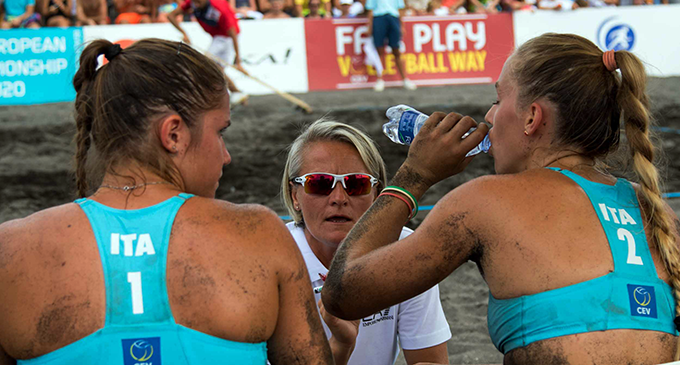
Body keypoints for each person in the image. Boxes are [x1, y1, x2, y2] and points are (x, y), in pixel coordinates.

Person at [322, 32, 680, 364]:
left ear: (531, 118)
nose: (489, 116)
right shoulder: (656, 210)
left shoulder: (486, 200)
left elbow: (343, 293)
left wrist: (416, 175)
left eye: (497, 100)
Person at [0, 38, 344, 364]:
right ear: (174, 134)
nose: (226, 156)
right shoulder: (258, 234)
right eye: (220, 132)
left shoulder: (12, 250)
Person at [281, 119, 452, 365]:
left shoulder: (407, 251)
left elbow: (430, 360)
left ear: (377, 195)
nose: (338, 198)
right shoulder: (269, 259)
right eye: (318, 182)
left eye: (356, 184)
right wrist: (340, 347)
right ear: (294, 195)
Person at [168, 0, 249, 105]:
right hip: (217, 37)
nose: (196, 4)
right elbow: (171, 16)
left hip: (226, 37)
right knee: (215, 69)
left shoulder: (219, 8)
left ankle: (231, 94)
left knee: (207, 65)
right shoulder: (192, 2)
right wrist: (184, 33)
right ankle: (236, 94)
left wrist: (238, 61)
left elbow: (232, 33)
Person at [366, 0, 416, 92]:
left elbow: (400, 9)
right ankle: (380, 79)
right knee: (379, 51)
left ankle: (405, 79)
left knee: (396, 50)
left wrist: (401, 25)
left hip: (393, 18)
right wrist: (369, 26)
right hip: (378, 18)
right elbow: (370, 10)